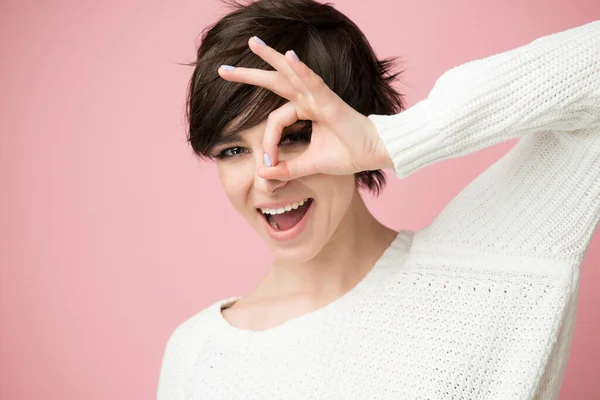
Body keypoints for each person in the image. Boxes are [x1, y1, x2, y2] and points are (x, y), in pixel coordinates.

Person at [157, 0, 600, 398]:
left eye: (294, 137)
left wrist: (387, 140)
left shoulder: (488, 263)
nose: (266, 177)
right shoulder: (198, 352)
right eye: (233, 151)